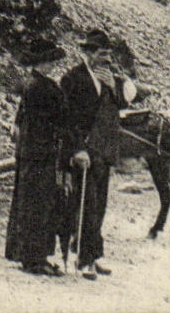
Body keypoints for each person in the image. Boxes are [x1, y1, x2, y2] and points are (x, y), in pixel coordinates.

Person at [60, 30, 131, 279]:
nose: (105, 60)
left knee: (99, 207)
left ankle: (93, 254)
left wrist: (114, 88)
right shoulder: (73, 78)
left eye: (108, 55)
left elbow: (123, 106)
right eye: (101, 55)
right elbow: (67, 119)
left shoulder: (110, 79)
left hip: (105, 152)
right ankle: (84, 259)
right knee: (86, 206)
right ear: (88, 53)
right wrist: (78, 148)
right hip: (85, 153)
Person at [5, 43, 68, 277]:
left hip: (29, 153)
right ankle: (34, 259)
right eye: (50, 62)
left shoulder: (31, 86)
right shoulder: (45, 89)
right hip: (40, 154)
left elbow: (20, 122)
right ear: (42, 63)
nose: (52, 66)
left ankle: (26, 254)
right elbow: (59, 119)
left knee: (28, 203)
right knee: (39, 205)